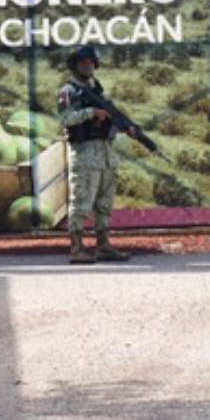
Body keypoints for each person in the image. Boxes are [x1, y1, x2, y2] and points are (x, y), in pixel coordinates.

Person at [57, 45, 130, 265]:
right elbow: (65, 119)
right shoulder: (68, 91)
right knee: (81, 200)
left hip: (105, 152)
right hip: (85, 153)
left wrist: (125, 126)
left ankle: (103, 244)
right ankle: (77, 247)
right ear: (75, 65)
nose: (87, 66)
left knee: (104, 201)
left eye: (91, 62)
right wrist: (91, 113)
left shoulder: (97, 89)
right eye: (83, 62)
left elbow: (111, 115)